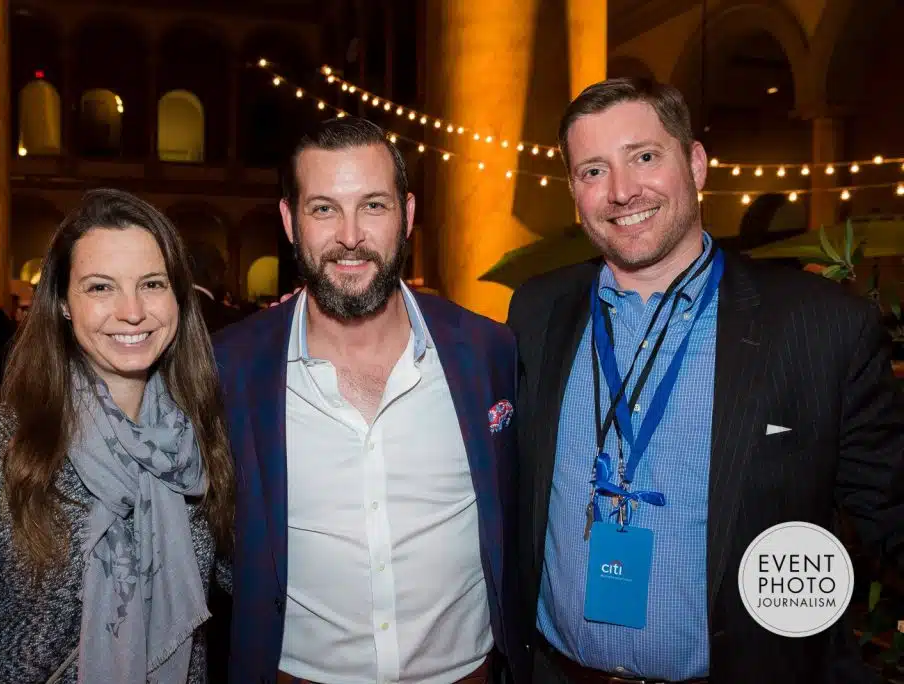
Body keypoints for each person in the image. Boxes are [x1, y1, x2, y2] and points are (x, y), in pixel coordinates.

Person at [505, 76, 904, 684]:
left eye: (643, 156)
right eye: (592, 170)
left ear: (694, 164)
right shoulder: (537, 312)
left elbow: (891, 511)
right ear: (574, 192)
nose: (621, 190)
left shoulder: (821, 327)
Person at [213, 116, 522, 683]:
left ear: (406, 215)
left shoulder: (487, 352)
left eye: (373, 206)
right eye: (324, 208)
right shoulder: (229, 367)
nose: (350, 236)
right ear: (290, 220)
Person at [0, 188, 236, 683]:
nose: (132, 311)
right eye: (101, 287)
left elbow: (250, 575)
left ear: (178, 297)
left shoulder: (197, 437)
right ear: (61, 302)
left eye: (152, 284)